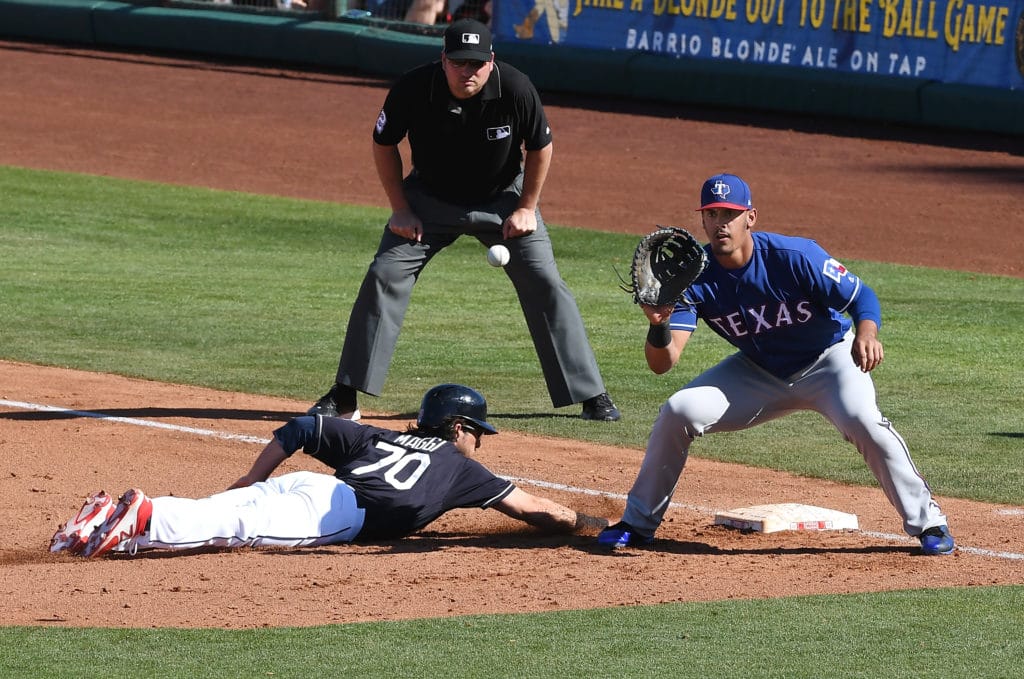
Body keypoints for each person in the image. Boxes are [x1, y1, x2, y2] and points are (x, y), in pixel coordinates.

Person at [597, 173, 955, 556]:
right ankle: (638, 523)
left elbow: (860, 296)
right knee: (678, 410)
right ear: (703, 220)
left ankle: (929, 522)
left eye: (730, 214)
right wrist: (659, 324)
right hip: (759, 372)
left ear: (750, 217)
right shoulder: (694, 276)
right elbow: (663, 363)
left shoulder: (795, 256)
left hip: (829, 362)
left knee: (864, 421)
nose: (721, 223)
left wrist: (866, 334)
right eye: (712, 214)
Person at [308, 18, 620, 423]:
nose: (466, 71)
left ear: (491, 61)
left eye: (475, 63)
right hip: (429, 199)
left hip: (503, 199)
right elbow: (383, 143)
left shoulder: (515, 87)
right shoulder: (415, 87)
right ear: (443, 60)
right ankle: (346, 394)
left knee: (545, 281)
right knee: (385, 273)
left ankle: (590, 393)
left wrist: (527, 207)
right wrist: (400, 206)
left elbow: (541, 147)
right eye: (458, 62)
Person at [50, 384, 610, 558]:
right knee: (237, 530)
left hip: (312, 484)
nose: (477, 444)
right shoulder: (467, 475)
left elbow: (304, 428)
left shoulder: (379, 435)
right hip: (338, 511)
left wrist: (253, 474)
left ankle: (114, 526)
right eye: (476, 433)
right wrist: (590, 523)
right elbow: (543, 511)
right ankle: (138, 518)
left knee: (231, 508)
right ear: (458, 427)